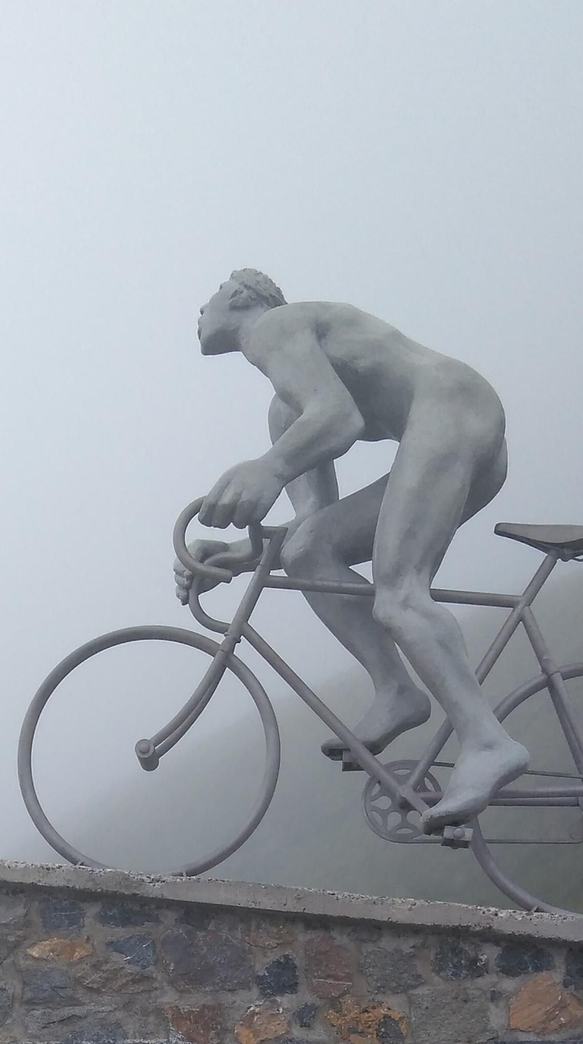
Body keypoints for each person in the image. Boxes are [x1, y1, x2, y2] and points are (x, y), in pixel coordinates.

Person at [178, 268, 526, 830]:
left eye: (209, 294)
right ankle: (395, 690)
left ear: (241, 296)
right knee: (308, 552)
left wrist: (267, 468)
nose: (199, 312)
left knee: (400, 596)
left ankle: (489, 742)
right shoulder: (286, 409)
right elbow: (308, 524)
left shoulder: (277, 326)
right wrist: (236, 558)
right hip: (454, 428)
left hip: (455, 410)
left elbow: (340, 419)